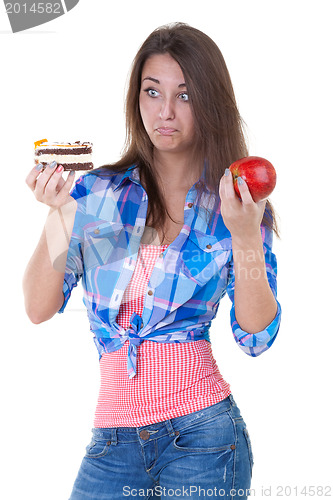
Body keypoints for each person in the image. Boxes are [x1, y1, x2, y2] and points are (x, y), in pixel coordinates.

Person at [23, 22, 281, 500]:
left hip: (205, 438)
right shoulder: (97, 194)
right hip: (111, 442)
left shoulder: (234, 204)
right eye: (152, 92)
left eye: (184, 96)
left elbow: (256, 336)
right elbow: (38, 308)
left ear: (210, 102)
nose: (165, 112)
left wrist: (245, 236)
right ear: (135, 99)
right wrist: (59, 215)